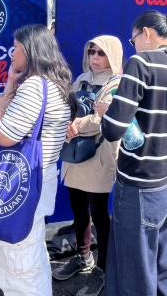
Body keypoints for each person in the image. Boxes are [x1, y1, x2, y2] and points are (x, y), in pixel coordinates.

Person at [101, 12, 167, 296]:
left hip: (140, 184)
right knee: (161, 263)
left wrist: (106, 112)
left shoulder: (141, 63)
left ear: (146, 33)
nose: (134, 46)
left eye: (133, 40)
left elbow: (113, 129)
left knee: (134, 270)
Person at [0, 24, 75, 295]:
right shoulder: (56, 84)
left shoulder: (34, 87)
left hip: (26, 179)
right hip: (41, 173)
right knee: (30, 247)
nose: (12, 53)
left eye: (16, 47)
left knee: (19, 253)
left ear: (29, 51)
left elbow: (3, 136)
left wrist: (5, 95)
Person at [53, 36, 123, 296]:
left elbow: (107, 117)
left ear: (112, 55)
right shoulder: (82, 78)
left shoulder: (118, 83)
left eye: (101, 53)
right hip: (74, 154)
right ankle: (83, 257)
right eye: (91, 51)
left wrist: (76, 125)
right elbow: (67, 108)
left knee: (99, 214)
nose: (94, 57)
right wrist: (66, 123)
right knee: (79, 210)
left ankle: (104, 267)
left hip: (99, 155)